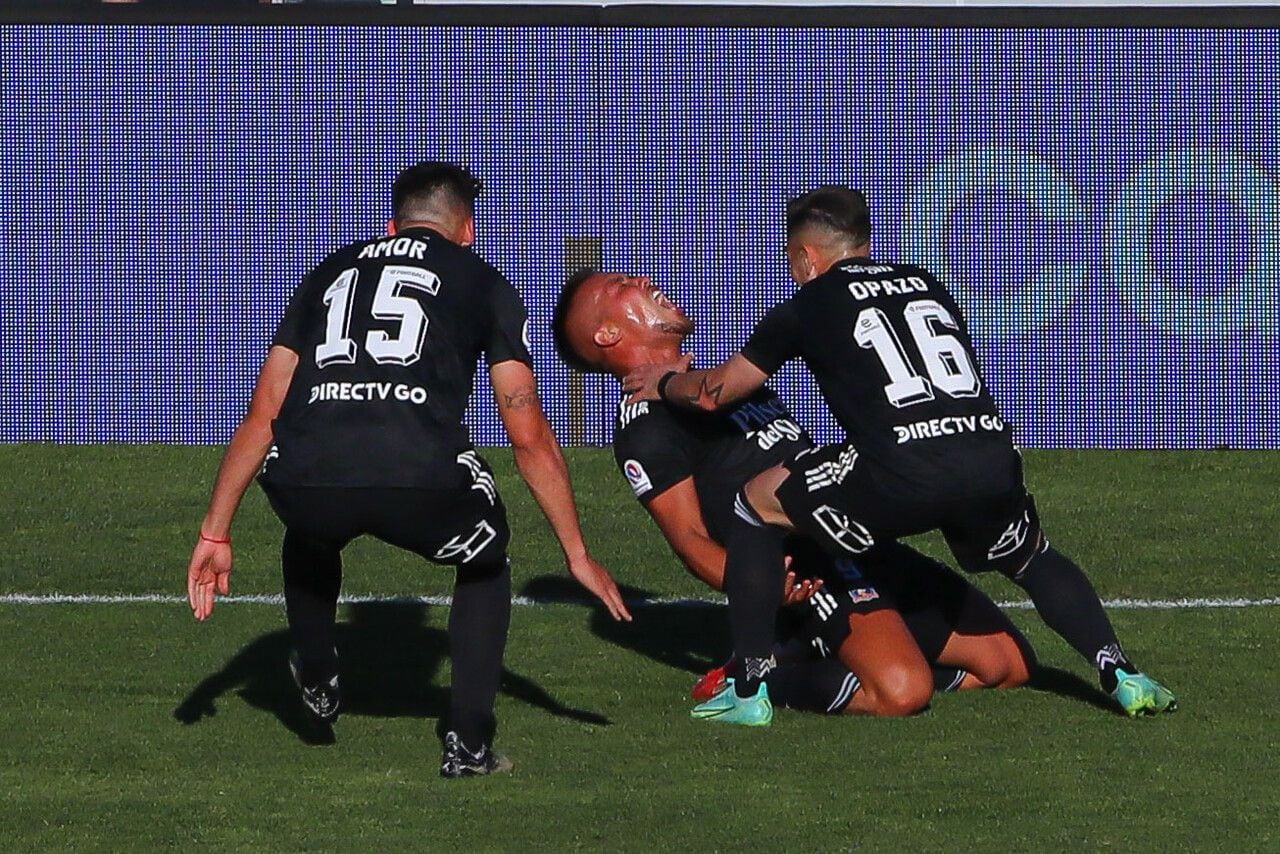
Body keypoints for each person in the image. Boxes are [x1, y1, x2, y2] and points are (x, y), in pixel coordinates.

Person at [625, 187, 1176, 725]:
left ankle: (750, 686)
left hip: (900, 472)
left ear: (807, 256)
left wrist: (667, 380)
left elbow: (716, 391)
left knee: (756, 502)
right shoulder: (927, 285)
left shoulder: (808, 302)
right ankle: (1122, 674)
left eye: (791, 260)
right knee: (1032, 558)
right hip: (989, 456)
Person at [186, 161, 631, 776]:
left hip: (309, 474)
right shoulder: (483, 281)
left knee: (311, 528)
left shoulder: (327, 273)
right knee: (484, 556)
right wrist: (577, 553)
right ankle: (469, 744)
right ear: (467, 230)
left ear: (393, 226)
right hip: (419, 475)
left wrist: (216, 530)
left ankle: (317, 672)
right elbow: (527, 434)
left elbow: (265, 412)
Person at [553, 269, 1034, 718]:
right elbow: (690, 539)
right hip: (812, 568)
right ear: (607, 335)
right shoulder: (646, 425)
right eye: (620, 286)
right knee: (901, 691)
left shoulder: (717, 385)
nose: (641, 279)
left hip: (854, 536)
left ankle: (824, 647)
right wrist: (763, 593)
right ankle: (767, 675)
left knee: (1007, 665)